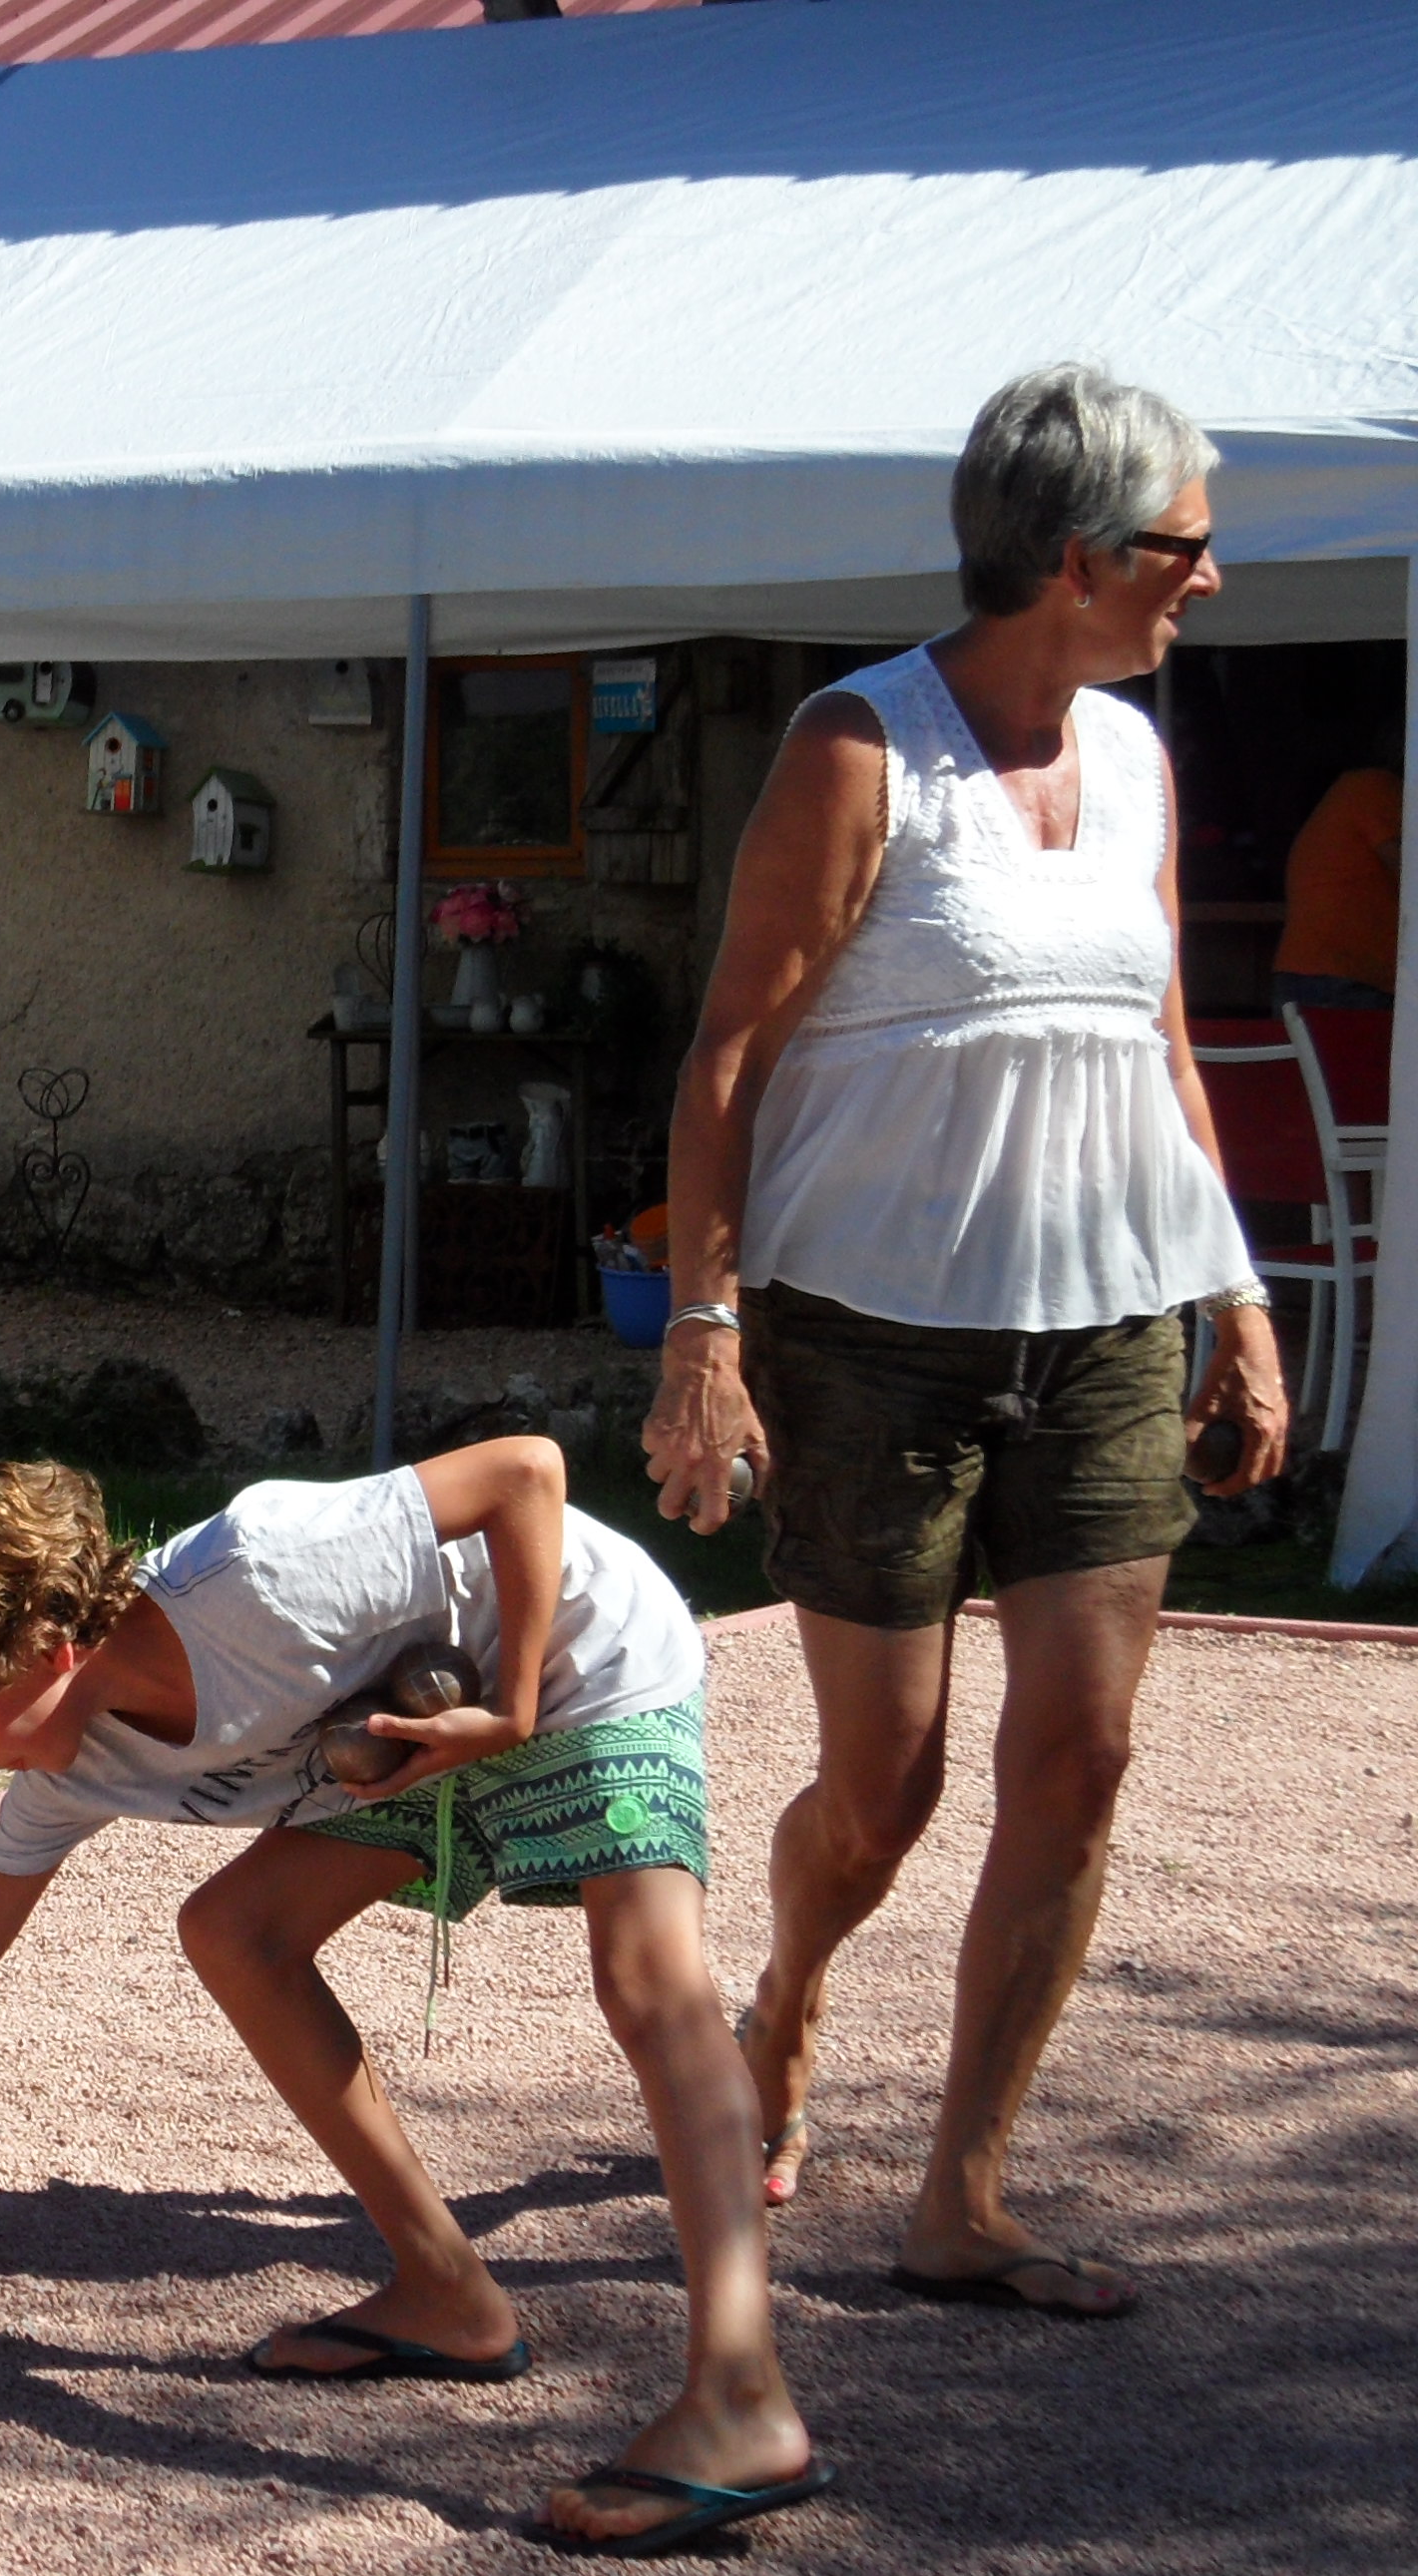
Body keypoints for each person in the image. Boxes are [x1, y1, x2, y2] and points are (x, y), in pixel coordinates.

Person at [0, 1448, 823, 2559]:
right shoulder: (78, 1758)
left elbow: (526, 1471)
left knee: (648, 1982)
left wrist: (509, 1708)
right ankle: (446, 2294)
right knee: (236, 1933)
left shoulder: (261, 1571)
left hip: (568, 1644)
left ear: (49, 1649)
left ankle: (739, 2398)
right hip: (409, 1731)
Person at [646, 362, 1285, 2310]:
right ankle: (786, 1987)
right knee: (882, 1794)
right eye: (1180, 547)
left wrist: (1234, 1299)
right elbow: (728, 1052)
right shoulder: (861, 751)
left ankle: (962, 2195)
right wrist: (697, 1327)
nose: (1207, 582)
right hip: (874, 1340)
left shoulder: (1146, 764)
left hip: (1100, 1327)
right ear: (1073, 556)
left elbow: (1155, 1045)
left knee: (1078, 1759)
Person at [1273, 758, 1401, 1011]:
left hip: (1314, 973)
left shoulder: (1350, 794)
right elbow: (1409, 870)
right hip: (1345, 977)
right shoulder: (1375, 787)